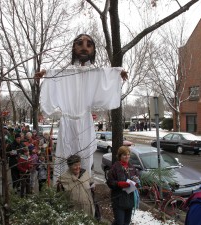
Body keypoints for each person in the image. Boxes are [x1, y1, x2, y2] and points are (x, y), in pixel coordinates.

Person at [35, 34, 128, 183]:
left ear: (93, 49)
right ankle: (62, 189)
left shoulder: (95, 73)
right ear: (73, 47)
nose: (84, 47)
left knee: (85, 161)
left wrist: (118, 74)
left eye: (89, 44)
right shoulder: (65, 72)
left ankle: (84, 189)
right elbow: (53, 74)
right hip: (67, 122)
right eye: (80, 43)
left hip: (85, 121)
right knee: (64, 159)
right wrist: (46, 74)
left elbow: (108, 75)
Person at [106, 146, 140, 225]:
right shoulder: (115, 168)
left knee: (126, 223)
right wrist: (118, 184)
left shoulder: (132, 167)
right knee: (120, 222)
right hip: (118, 200)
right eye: (124, 155)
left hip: (129, 200)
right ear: (120, 156)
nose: (127, 156)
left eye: (128, 154)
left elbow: (137, 179)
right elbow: (109, 182)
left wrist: (137, 181)